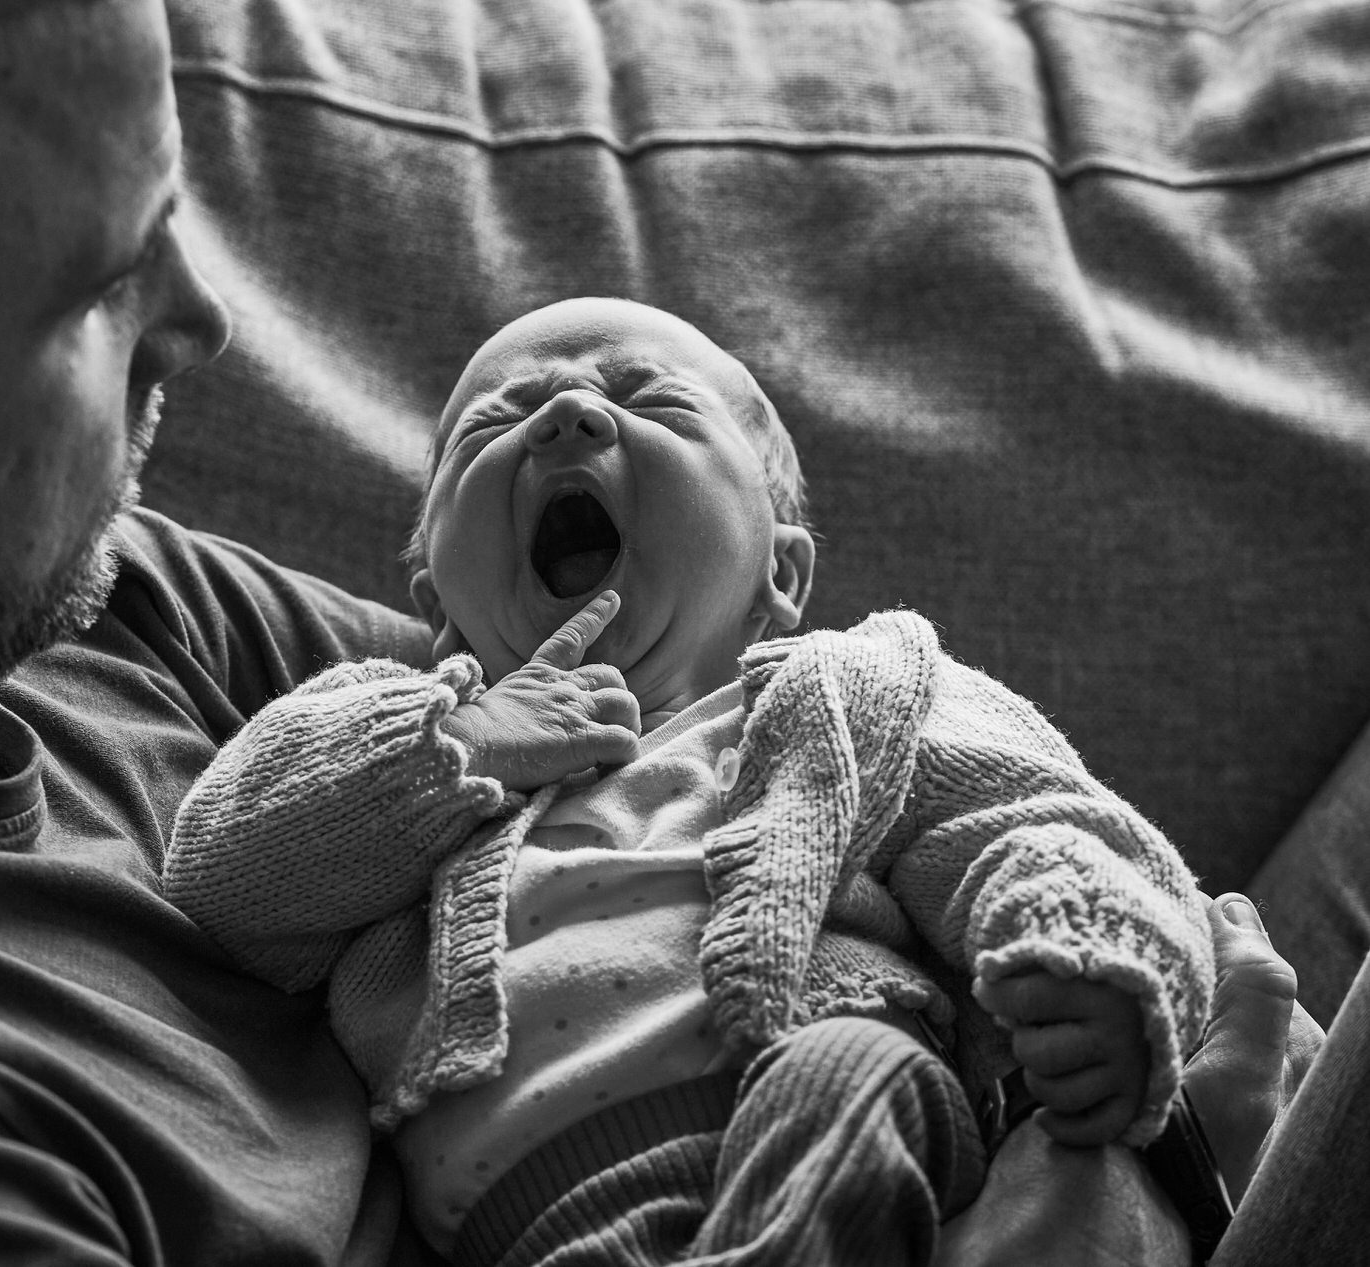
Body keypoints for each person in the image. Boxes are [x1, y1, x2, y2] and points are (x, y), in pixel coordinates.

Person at [0, 4, 1335, 1267]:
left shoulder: (66, 595)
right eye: (103, 291)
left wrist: (1083, 953)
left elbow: (639, 740)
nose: (208, 320)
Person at [163, 298, 1227, 1264]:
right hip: (519, 1224)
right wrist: (467, 743)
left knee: (855, 1074)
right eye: (497, 421)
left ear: (782, 571)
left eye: (648, 400)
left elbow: (1031, 818)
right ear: (432, 590)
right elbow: (226, 877)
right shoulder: (391, 725)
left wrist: (1083, 955)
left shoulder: (856, 693)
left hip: (829, 1109)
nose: (569, 415)